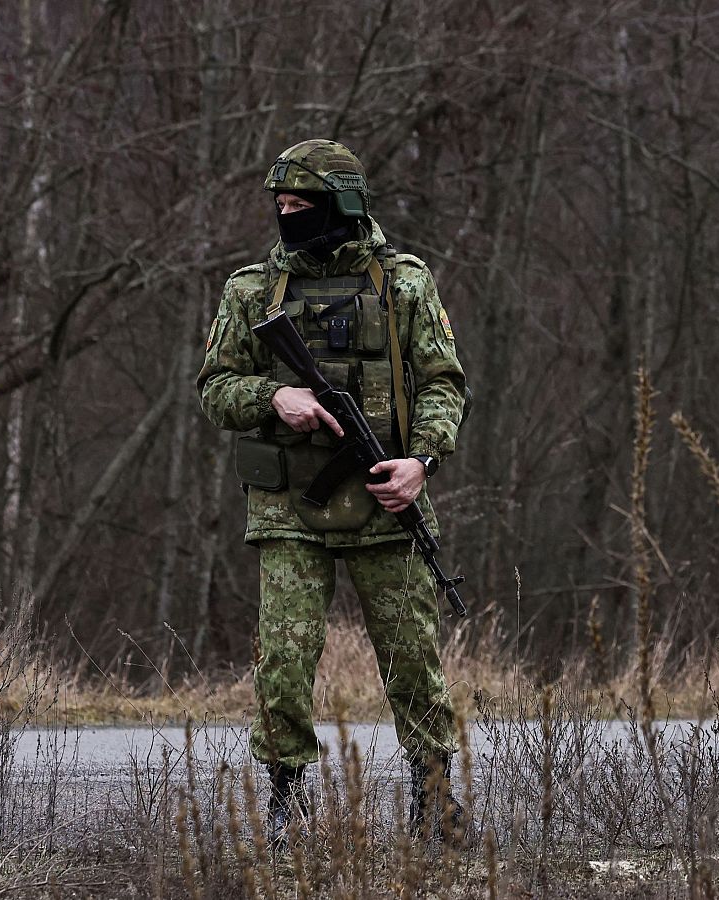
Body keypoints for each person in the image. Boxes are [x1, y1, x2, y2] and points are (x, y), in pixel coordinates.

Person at [198, 139, 469, 843]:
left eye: (301, 205)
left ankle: (433, 797)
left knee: (414, 660)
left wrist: (423, 463)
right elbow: (215, 388)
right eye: (279, 204)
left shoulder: (405, 283)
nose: (286, 216)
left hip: (388, 498)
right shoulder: (252, 290)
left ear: (341, 206)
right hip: (292, 505)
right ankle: (286, 801)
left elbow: (445, 382)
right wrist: (273, 396)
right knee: (283, 663)